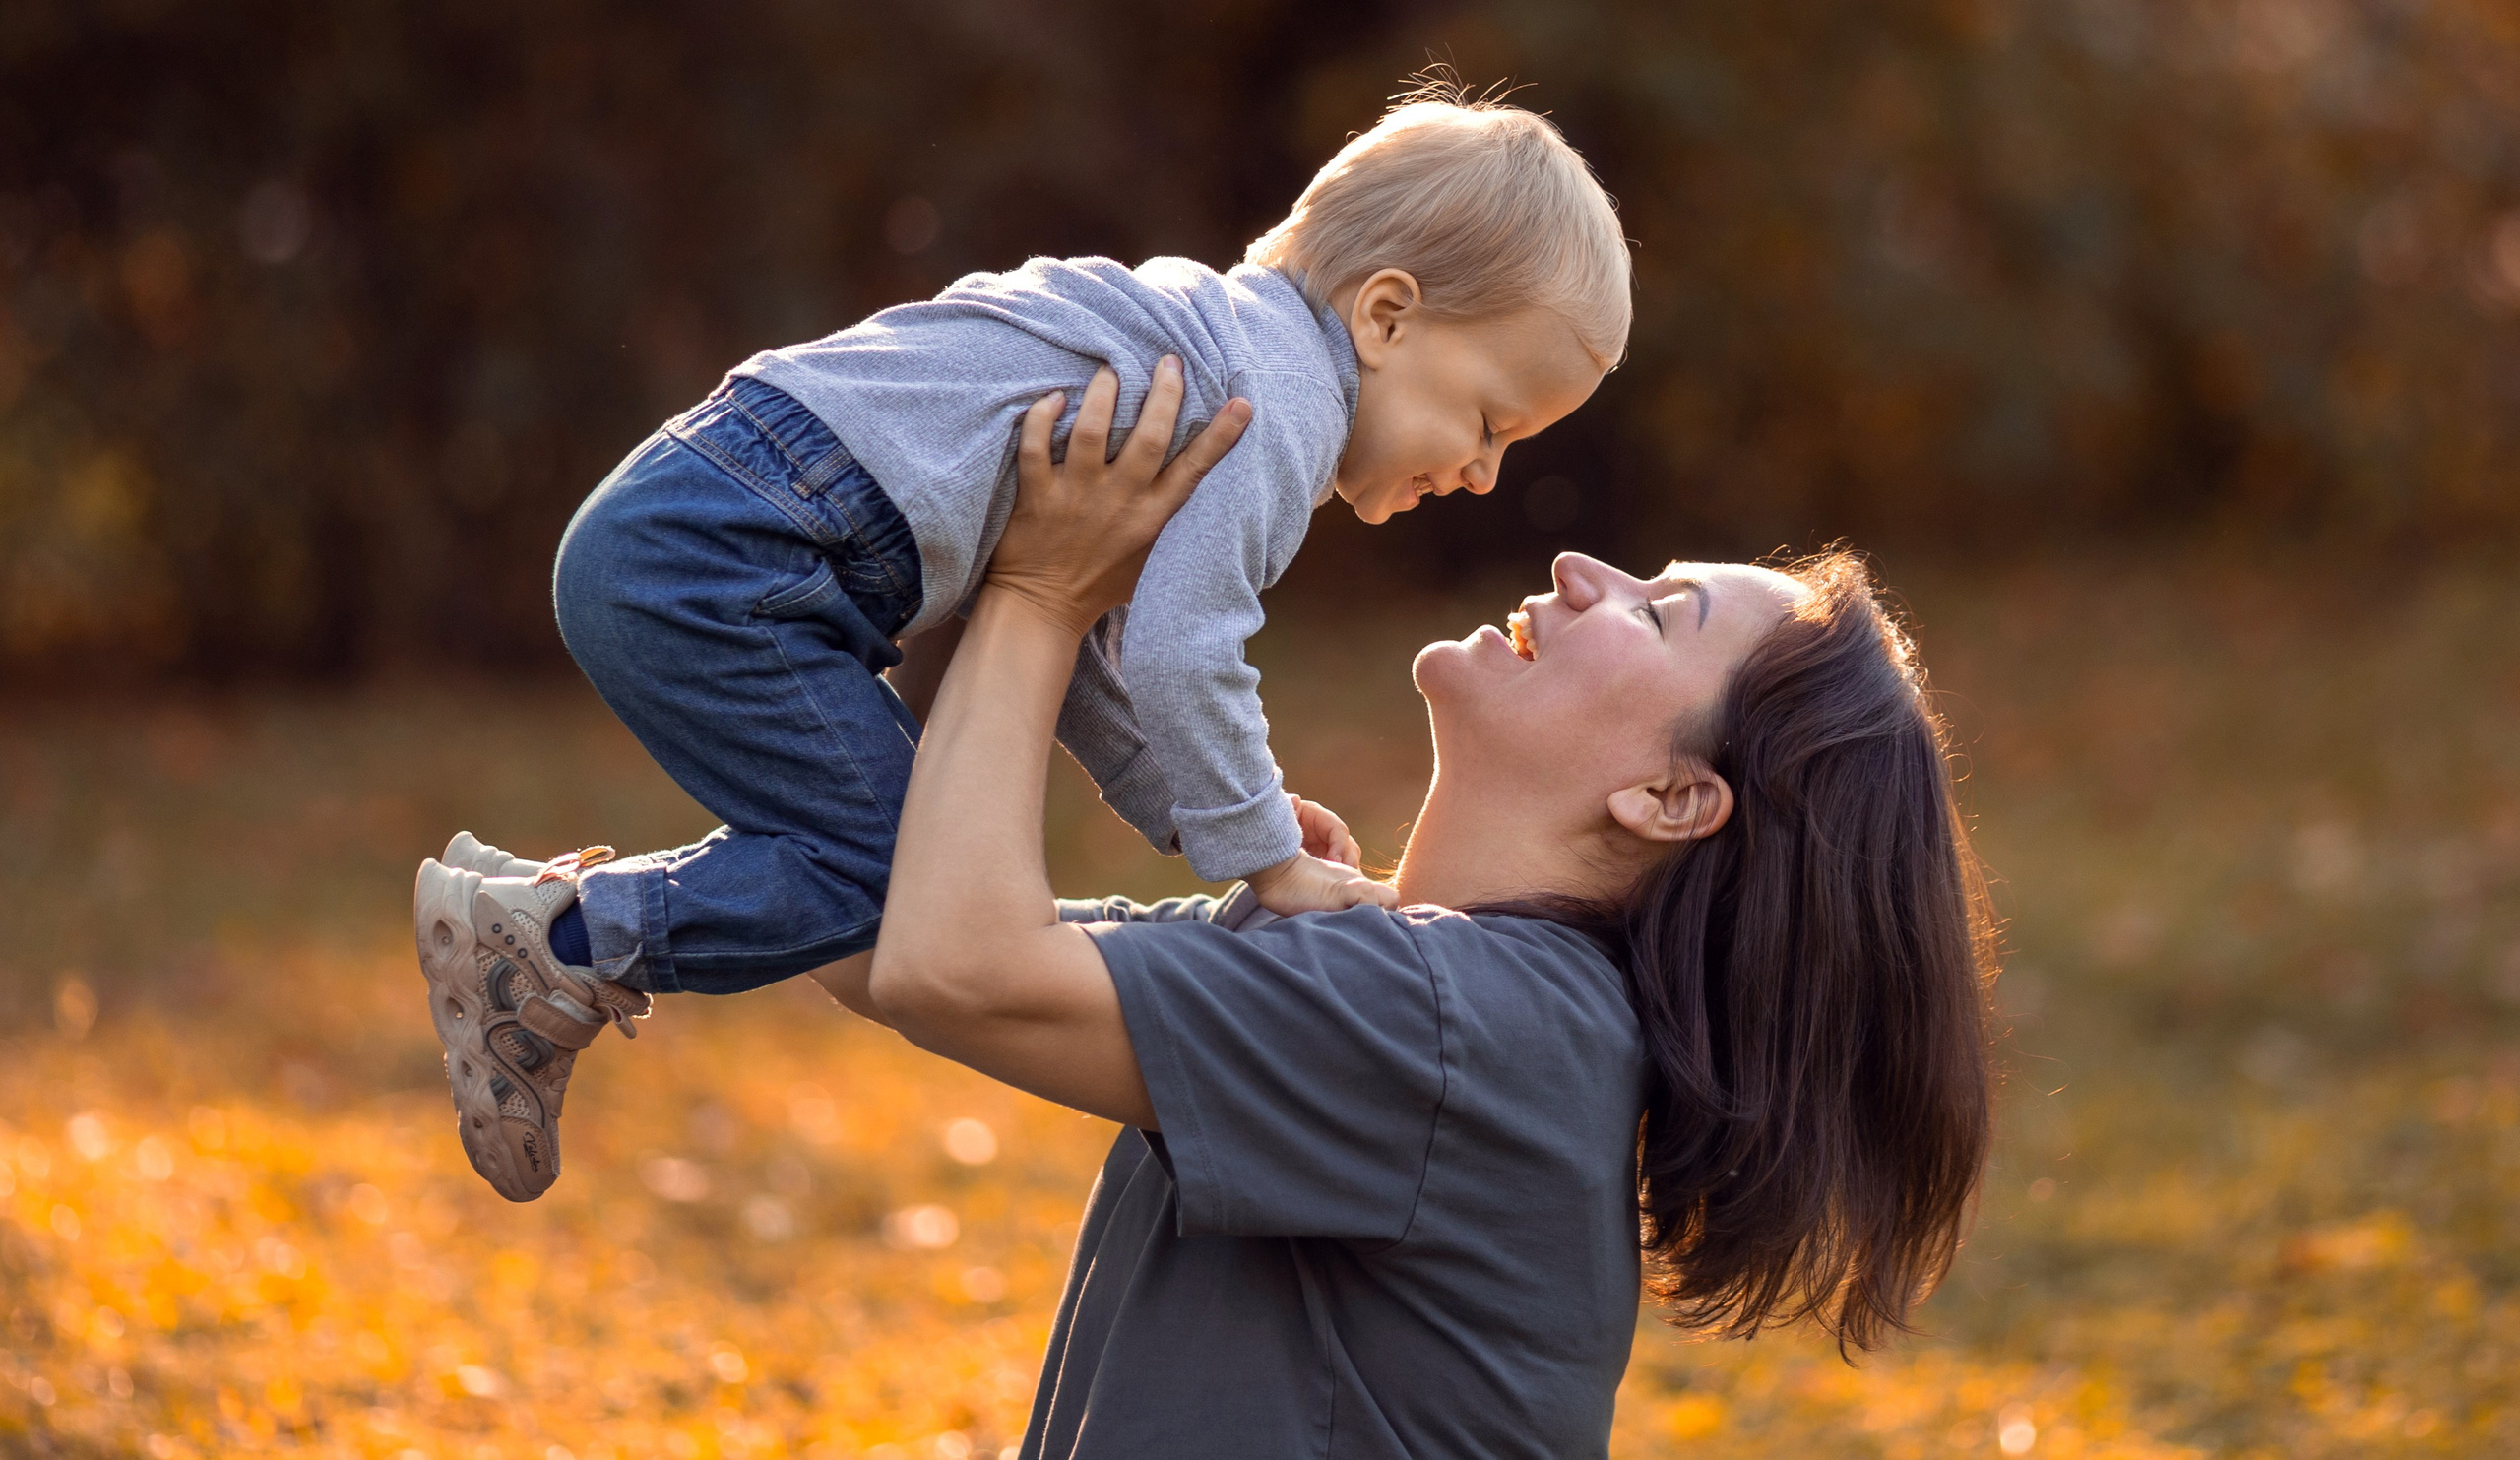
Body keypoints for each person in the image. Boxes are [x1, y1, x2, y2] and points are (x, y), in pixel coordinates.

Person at [412, 83, 1631, 1201]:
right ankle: (559, 940)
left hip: (709, 513)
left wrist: (1181, 811)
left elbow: (1096, 641)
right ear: (1386, 313)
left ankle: (550, 935)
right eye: (1486, 420)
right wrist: (1263, 853)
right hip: (739, 551)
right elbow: (1184, 654)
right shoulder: (1271, 414)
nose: (1481, 474)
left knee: (898, 862)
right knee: (907, 874)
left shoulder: (1210, 343)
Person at [800, 365, 1999, 1458]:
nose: (1584, 572)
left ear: (1672, 796)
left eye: (1652, 612)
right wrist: (942, 565)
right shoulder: (1435, 987)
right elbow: (880, 936)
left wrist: (1043, 592)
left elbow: (947, 966)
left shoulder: (1464, 1025)